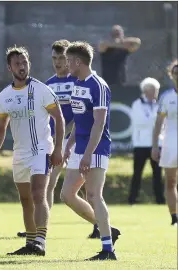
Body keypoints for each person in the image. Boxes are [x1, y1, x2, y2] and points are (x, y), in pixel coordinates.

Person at [16, 40, 100, 240]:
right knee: (48, 184)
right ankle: (40, 228)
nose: (58, 62)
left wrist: (66, 141)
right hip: (52, 142)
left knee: (88, 188)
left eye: (62, 58)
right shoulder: (50, 84)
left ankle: (100, 224)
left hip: (73, 141)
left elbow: (79, 117)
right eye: (54, 58)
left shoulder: (77, 82)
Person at [0, 46, 65, 256]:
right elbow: (0, 127)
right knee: (25, 200)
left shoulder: (41, 90)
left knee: (38, 194)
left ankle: (41, 240)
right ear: (9, 68)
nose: (22, 67)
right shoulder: (5, 95)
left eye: (24, 62)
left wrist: (57, 149)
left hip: (41, 149)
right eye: (17, 64)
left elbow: (59, 118)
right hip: (19, 153)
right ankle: (31, 242)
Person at [60, 41, 121, 261]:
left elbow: (99, 124)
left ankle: (108, 250)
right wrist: (69, 145)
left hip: (96, 147)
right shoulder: (76, 83)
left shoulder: (99, 85)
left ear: (78, 61)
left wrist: (87, 155)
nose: (66, 65)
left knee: (94, 195)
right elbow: (79, 119)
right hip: (79, 147)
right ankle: (108, 229)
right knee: (67, 195)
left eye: (68, 61)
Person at [128, 77, 165, 205]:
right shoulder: (136, 104)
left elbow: (163, 123)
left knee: (158, 174)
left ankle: (160, 200)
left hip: (157, 144)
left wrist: (157, 122)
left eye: (157, 90)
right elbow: (140, 122)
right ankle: (132, 199)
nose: (156, 92)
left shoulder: (159, 104)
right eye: (154, 90)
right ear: (146, 90)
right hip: (140, 144)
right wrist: (157, 120)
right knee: (137, 173)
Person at [152, 61, 178, 226]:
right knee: (170, 181)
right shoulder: (166, 97)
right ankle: (174, 217)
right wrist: (155, 146)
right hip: (170, 143)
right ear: (171, 75)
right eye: (175, 73)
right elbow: (158, 123)